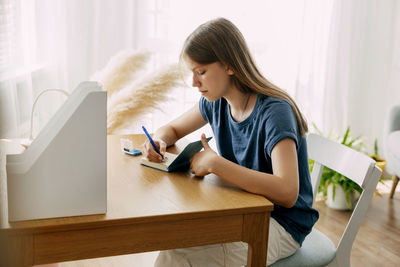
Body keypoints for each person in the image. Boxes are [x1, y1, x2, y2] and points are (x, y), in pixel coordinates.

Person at [142, 17, 319, 267]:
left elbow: (288, 192)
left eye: (201, 72)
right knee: (175, 242)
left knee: (177, 257)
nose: (194, 83)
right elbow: (171, 128)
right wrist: (158, 140)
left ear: (229, 66)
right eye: (192, 73)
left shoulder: (275, 113)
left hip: (282, 224)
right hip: (244, 210)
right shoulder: (215, 102)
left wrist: (216, 164)